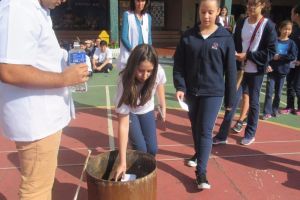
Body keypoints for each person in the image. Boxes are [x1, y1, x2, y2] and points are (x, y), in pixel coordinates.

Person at [0, 0, 89, 199]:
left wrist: (66, 58)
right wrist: (63, 79)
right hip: (36, 119)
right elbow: (9, 70)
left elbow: (39, 55)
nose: (64, 0)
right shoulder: (18, 8)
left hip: (43, 117)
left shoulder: (37, 8)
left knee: (40, 185)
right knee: (36, 191)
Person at [173, 0, 237, 189]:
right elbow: (179, 66)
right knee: (195, 127)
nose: (206, 16)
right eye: (203, 12)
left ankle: (201, 173)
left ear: (218, 11)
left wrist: (230, 100)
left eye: (210, 12)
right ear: (198, 12)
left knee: (205, 130)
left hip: (213, 93)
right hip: (192, 92)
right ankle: (198, 153)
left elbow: (231, 72)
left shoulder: (225, 38)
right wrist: (180, 87)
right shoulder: (188, 36)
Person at [214, 0, 277, 146]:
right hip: (239, 69)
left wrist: (248, 56)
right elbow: (233, 43)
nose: (250, 7)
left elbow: (271, 52)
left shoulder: (268, 26)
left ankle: (250, 133)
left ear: (262, 5)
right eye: (248, 4)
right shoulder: (241, 21)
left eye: (254, 4)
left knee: (254, 103)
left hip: (256, 72)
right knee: (232, 101)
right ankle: (223, 134)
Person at [114, 44, 166, 181]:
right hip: (130, 112)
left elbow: (160, 84)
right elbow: (123, 125)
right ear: (133, 66)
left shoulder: (158, 71)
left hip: (147, 109)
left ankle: (146, 170)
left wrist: (162, 106)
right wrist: (122, 161)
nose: (145, 75)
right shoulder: (124, 82)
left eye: (149, 71)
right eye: (141, 71)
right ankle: (140, 175)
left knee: (153, 149)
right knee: (141, 148)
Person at [263, 20, 298, 119]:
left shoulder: (291, 43)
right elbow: (267, 54)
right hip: (271, 71)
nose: (287, 31)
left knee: (278, 94)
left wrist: (280, 57)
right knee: (269, 93)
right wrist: (267, 65)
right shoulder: (274, 41)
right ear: (280, 29)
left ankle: (274, 110)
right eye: (285, 29)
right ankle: (267, 112)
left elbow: (292, 56)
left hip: (283, 72)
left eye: (289, 29)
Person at [117, 0, 152, 70]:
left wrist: (149, 52)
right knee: (130, 78)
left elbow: (149, 37)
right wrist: (132, 50)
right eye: (138, 1)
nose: (140, 4)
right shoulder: (127, 15)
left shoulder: (148, 17)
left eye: (143, 1)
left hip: (144, 55)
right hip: (131, 54)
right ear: (133, 1)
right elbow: (123, 37)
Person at [280, 5, 300, 116]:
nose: (291, 15)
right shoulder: (295, 29)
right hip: (292, 63)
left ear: (297, 15)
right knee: (290, 85)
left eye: (292, 13)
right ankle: (290, 107)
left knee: (297, 86)